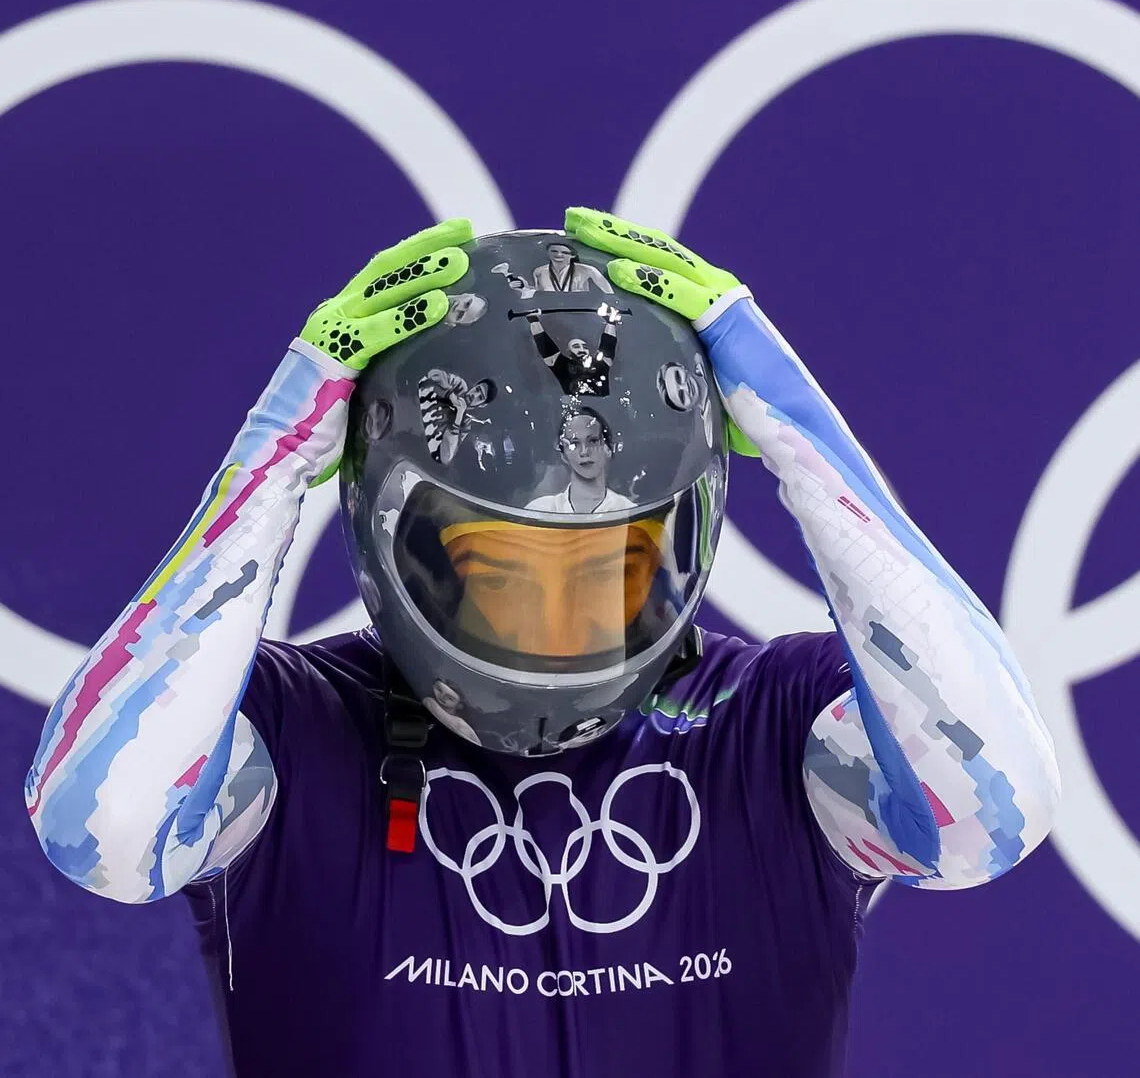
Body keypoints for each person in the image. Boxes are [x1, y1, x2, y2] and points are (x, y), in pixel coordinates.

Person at [27, 213, 1061, 1078]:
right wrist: (273, 458)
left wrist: (800, 432)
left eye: (611, 572)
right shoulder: (294, 734)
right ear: (401, 545)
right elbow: (104, 830)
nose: (565, 629)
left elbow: (990, 814)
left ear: (684, 545)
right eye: (503, 575)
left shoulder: (772, 725)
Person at [525, 407, 634, 513]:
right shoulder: (540, 511)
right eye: (574, 443)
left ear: (608, 449)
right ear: (563, 455)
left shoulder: (628, 511)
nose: (584, 452)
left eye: (593, 441)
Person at [522, 305, 619, 396]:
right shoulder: (561, 364)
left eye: (585, 347)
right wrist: (534, 321)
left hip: (603, 404)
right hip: (574, 405)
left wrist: (611, 323)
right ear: (569, 351)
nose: (582, 349)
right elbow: (545, 344)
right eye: (576, 346)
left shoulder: (600, 365)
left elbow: (608, 345)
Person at [417, 368, 497, 464]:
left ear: (482, 404)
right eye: (477, 390)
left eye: (480, 397)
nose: (474, 395)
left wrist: (459, 416)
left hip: (418, 438)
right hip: (413, 402)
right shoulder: (460, 386)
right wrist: (450, 394)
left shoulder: (465, 425)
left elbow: (446, 457)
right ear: (474, 386)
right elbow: (432, 374)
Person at [532, 238, 613, 293]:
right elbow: (536, 294)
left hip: (580, 311)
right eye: (554, 251)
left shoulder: (588, 270)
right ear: (548, 252)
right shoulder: (539, 272)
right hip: (550, 312)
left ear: (572, 255)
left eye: (564, 252)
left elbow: (609, 293)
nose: (558, 255)